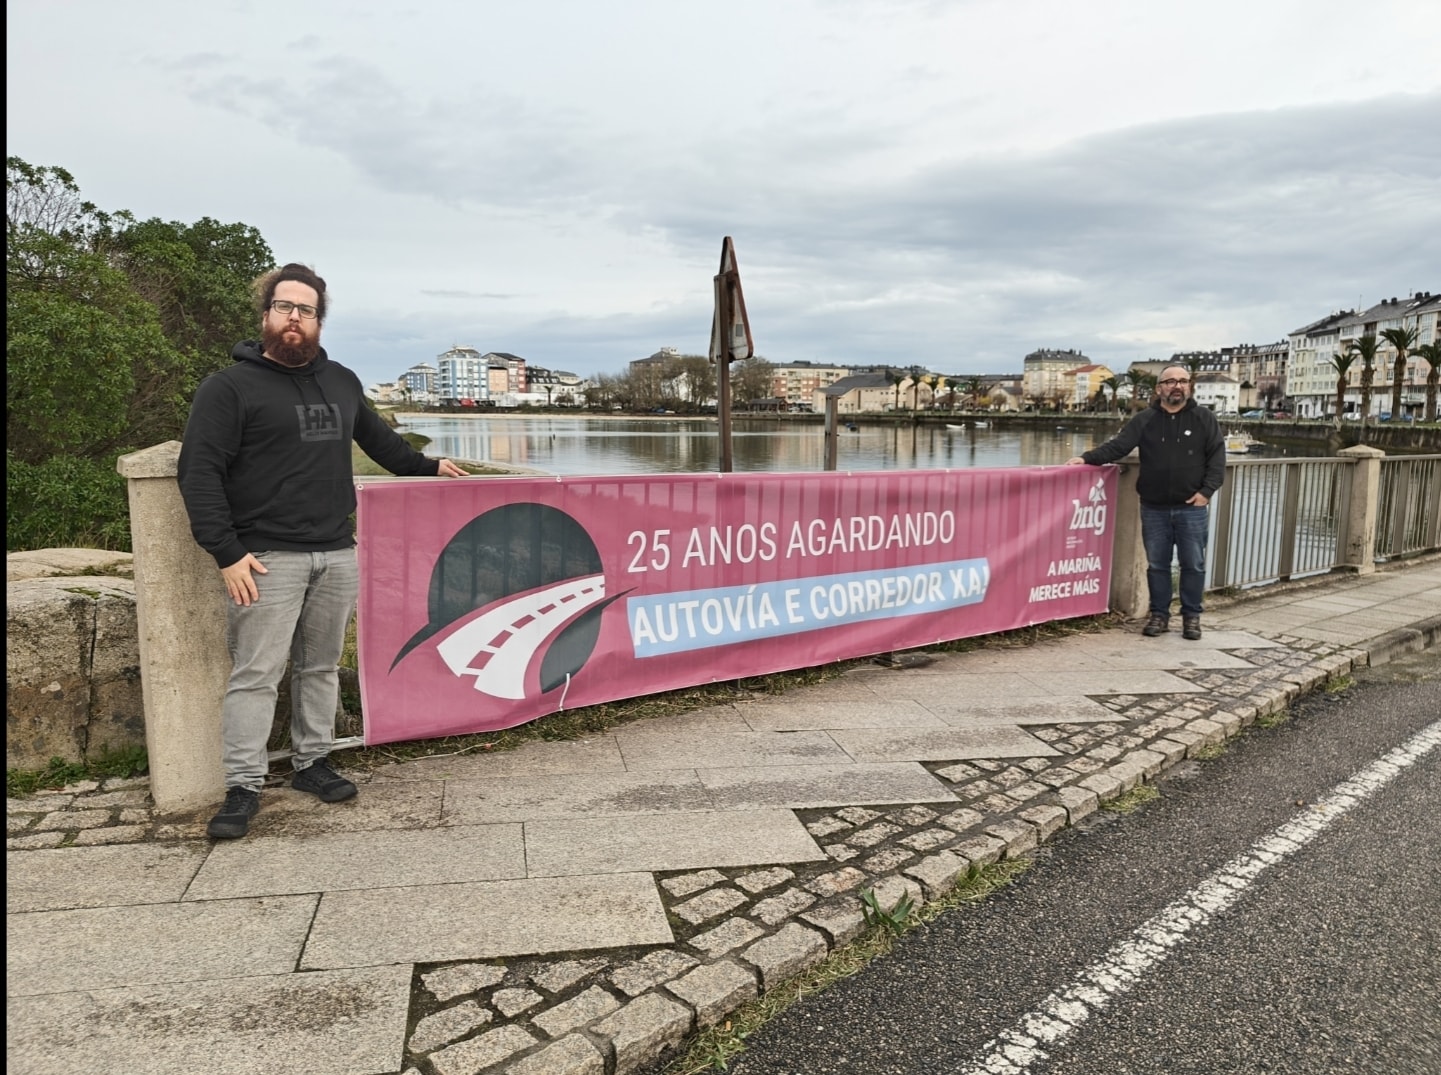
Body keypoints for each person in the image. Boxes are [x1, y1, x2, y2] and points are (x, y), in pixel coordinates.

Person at [179, 263, 466, 839]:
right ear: (266, 316)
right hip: (264, 557)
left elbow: (382, 444)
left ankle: (313, 762)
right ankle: (242, 786)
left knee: (320, 667)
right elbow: (199, 471)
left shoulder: (341, 380)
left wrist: (430, 465)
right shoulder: (228, 388)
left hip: (335, 552)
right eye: (285, 307)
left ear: (318, 321)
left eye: (305, 310)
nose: (294, 318)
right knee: (256, 674)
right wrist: (226, 552)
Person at [1066, 366, 1225, 642]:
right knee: (1158, 565)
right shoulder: (1145, 420)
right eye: (1171, 381)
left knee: (1193, 565)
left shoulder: (1204, 418)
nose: (1178, 386)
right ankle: (1159, 615)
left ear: (1189, 386)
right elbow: (1119, 447)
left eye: (1183, 381)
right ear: (1159, 389)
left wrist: (1206, 492)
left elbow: (1217, 458)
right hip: (1154, 508)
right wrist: (1087, 458)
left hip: (1192, 508)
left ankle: (1191, 618)